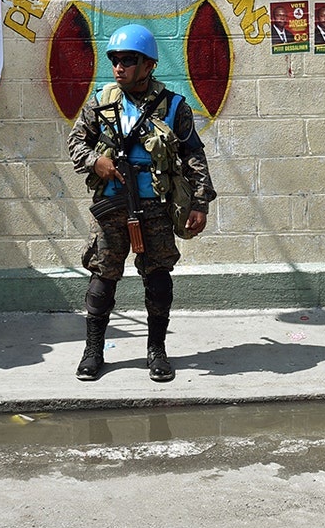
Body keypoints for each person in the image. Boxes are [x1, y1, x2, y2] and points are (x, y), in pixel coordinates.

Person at [66, 24, 216, 383]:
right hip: (111, 206)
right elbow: (75, 143)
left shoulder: (174, 106)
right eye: (115, 60)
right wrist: (94, 162)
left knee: (159, 281)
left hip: (157, 208)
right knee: (103, 280)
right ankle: (93, 351)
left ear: (148, 65)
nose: (119, 67)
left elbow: (194, 154)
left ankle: (157, 350)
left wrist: (200, 203)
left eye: (128, 60)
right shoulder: (101, 102)